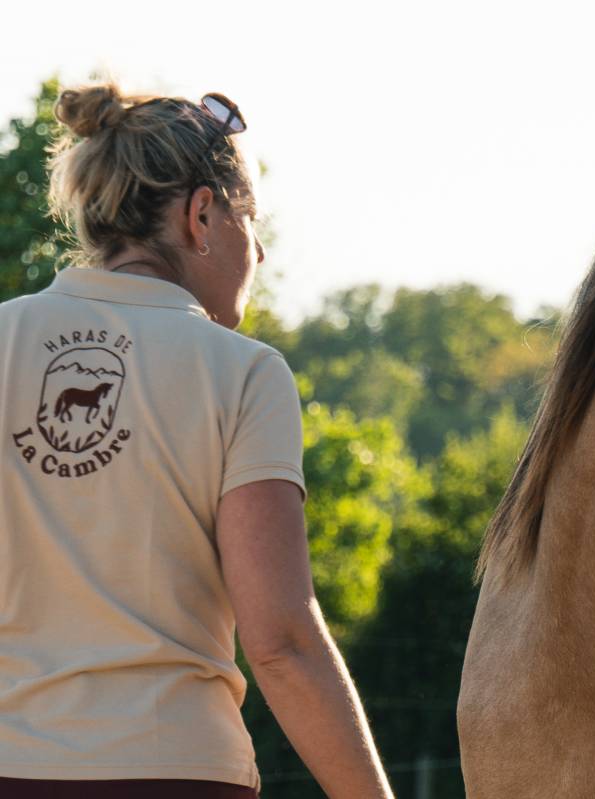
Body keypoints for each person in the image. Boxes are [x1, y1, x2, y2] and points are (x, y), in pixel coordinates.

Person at [0, 84, 393, 798]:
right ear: (202, 214)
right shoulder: (243, 372)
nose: (261, 250)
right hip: (177, 770)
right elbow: (280, 642)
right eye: (252, 220)